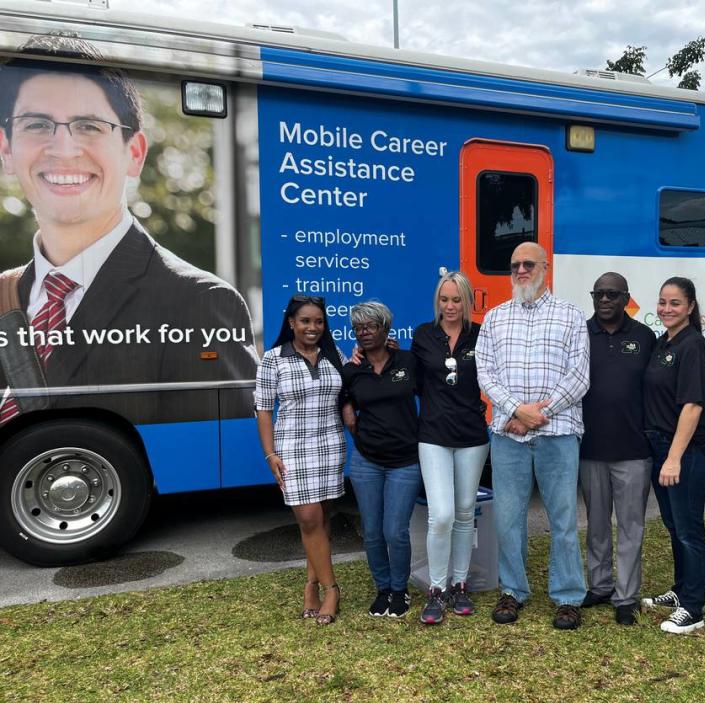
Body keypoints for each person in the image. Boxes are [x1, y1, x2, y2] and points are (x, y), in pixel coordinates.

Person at [0, 35, 257, 426]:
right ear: (6, 150)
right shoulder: (5, 294)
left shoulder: (199, 303)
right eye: (37, 124)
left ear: (134, 153)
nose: (63, 148)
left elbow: (211, 464)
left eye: (88, 126)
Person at [475, 241, 590, 630]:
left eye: (528, 264)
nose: (520, 271)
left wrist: (537, 413)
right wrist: (514, 410)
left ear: (545, 268)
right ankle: (513, 591)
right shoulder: (494, 318)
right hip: (508, 434)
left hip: (557, 433)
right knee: (508, 518)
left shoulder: (571, 316)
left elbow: (580, 377)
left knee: (562, 519)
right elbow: (485, 373)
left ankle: (568, 596)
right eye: (514, 266)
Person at [255, 295, 349, 625]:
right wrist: (270, 454)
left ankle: (311, 584)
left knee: (322, 516)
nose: (312, 327)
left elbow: (351, 389)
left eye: (318, 322)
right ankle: (332, 589)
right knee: (308, 517)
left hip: (330, 444)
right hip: (292, 449)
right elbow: (264, 410)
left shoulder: (334, 355)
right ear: (292, 323)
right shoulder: (273, 359)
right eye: (306, 321)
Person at [640, 277, 705, 634]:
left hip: (685, 452)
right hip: (660, 446)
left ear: (690, 307)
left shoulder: (693, 346)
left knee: (689, 529)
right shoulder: (663, 343)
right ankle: (681, 589)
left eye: (675, 303)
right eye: (662, 302)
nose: (666, 309)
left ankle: (693, 608)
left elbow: (692, 406)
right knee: (674, 525)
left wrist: (674, 458)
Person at [412, 271, 489, 624]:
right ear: (436, 302)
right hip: (433, 436)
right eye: (445, 299)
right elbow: (409, 378)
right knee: (440, 514)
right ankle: (437, 590)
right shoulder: (423, 335)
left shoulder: (481, 335)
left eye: (457, 299)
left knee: (463, 512)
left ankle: (459, 585)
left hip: (472, 436)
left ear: (467, 302)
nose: (450, 306)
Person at [578, 272, 656, 626]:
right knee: (595, 524)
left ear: (626, 298)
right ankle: (600, 585)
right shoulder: (580, 334)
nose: (604, 300)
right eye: (599, 294)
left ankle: (626, 596)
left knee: (630, 526)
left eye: (612, 294)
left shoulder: (644, 337)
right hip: (590, 448)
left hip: (633, 449)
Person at [341, 301, 421, 620]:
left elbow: (431, 393)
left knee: (395, 531)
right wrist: (353, 424)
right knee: (372, 530)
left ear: (386, 329)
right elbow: (345, 401)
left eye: (370, 326)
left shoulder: (408, 361)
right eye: (358, 327)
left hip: (405, 460)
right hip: (366, 460)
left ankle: (400, 591)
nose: (364, 332)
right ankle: (384, 588)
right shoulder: (352, 370)